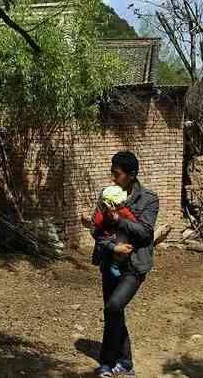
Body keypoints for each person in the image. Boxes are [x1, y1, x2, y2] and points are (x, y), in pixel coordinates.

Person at [81, 151, 159, 377]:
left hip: (134, 266)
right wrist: (111, 247)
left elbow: (145, 233)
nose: (113, 179)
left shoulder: (148, 200)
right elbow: (97, 230)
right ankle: (117, 363)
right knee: (112, 312)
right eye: (112, 174)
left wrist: (118, 219)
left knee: (114, 306)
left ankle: (117, 360)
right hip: (109, 261)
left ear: (132, 175)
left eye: (118, 174)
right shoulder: (106, 194)